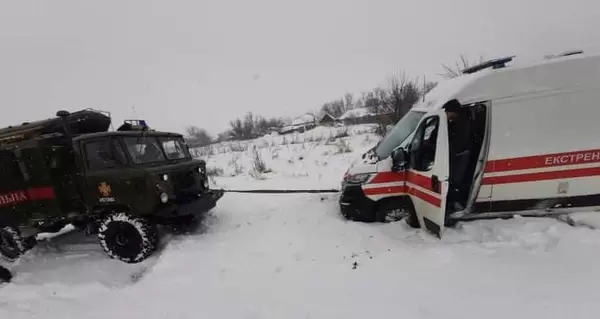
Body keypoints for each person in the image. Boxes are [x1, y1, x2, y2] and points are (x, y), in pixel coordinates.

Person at [446, 103, 472, 211]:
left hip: (460, 156)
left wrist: (445, 152)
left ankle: (455, 204)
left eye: (448, 112)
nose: (446, 115)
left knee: (455, 181)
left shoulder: (462, 124)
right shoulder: (456, 121)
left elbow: (457, 144)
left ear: (454, 112)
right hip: (458, 155)